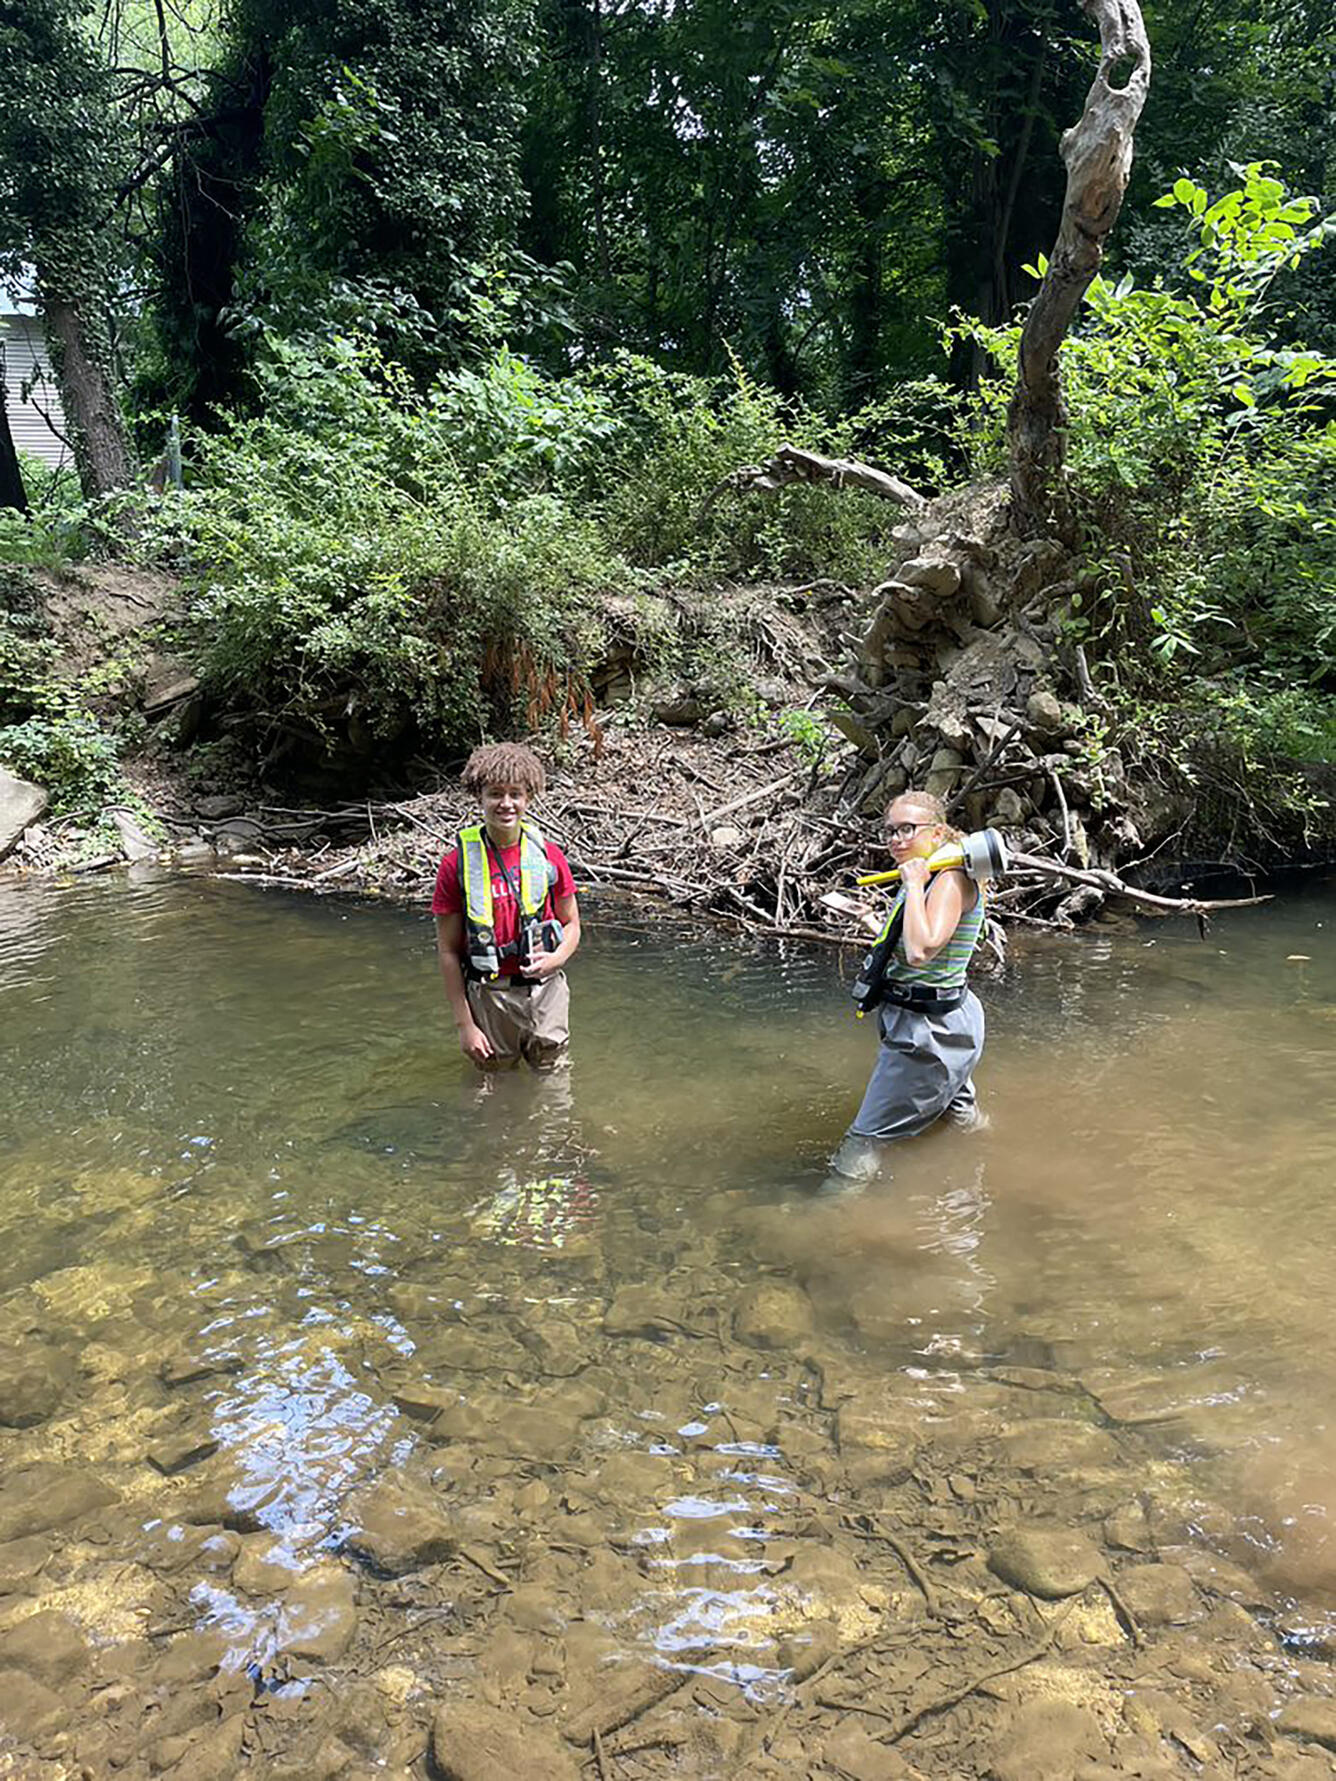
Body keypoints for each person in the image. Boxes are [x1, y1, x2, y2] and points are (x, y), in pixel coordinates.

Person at [829, 790, 988, 1184]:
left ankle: (825, 1219)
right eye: (890, 831)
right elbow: (909, 939)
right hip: (937, 1020)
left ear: (937, 833)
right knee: (960, 1117)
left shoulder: (947, 879)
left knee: (865, 1139)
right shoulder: (925, 870)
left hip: (929, 1033)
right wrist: (868, 920)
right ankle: (995, 1163)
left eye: (908, 829)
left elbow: (920, 951)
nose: (897, 840)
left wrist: (914, 884)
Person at [433, 743, 581, 1073]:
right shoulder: (455, 865)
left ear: (528, 797)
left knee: (556, 1086)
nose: (506, 804)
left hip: (547, 993)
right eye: (495, 794)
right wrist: (465, 1026)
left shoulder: (548, 856)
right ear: (479, 797)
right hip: (490, 996)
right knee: (494, 1091)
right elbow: (447, 950)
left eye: (516, 793)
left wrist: (557, 959)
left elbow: (572, 924)